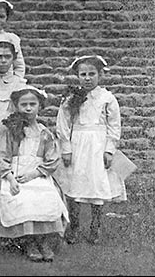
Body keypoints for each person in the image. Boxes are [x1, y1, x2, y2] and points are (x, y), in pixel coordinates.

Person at [0, 85, 69, 262]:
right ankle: (29, 241)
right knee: (21, 198)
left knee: (46, 196)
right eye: (23, 104)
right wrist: (10, 178)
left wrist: (34, 175)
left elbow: (52, 159)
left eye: (33, 104)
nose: (28, 108)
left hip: (37, 174)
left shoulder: (44, 133)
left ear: (39, 106)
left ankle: (43, 241)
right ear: (16, 106)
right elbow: (1, 157)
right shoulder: (10, 131)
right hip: (14, 175)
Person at [56, 55, 125, 245]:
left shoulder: (107, 98)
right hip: (78, 144)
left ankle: (96, 225)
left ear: (100, 75)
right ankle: (75, 225)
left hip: (98, 145)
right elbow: (63, 124)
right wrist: (66, 148)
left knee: (97, 185)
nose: (87, 78)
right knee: (74, 184)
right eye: (83, 74)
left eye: (91, 74)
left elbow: (114, 125)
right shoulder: (71, 98)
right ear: (77, 76)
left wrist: (109, 150)